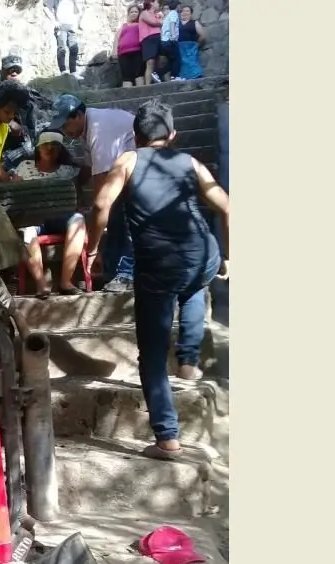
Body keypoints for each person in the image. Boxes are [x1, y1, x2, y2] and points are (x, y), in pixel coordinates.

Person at [88, 99, 229, 460]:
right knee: (196, 284)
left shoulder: (128, 161)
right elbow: (228, 207)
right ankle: (189, 363)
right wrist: (228, 256)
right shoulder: (191, 163)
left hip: (159, 266)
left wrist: (93, 249)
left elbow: (102, 205)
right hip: (203, 254)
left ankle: (167, 437)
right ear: (173, 135)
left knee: (151, 353)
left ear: (134, 136)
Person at [48, 93, 136, 292]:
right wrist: (77, 188)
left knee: (119, 214)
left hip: (141, 171)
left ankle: (126, 273)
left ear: (78, 115)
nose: (64, 131)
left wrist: (93, 248)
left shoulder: (98, 130)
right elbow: (89, 168)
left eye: (65, 125)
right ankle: (112, 272)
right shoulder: (88, 129)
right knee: (112, 217)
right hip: (127, 170)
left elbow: (101, 194)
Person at [13, 131, 91, 296]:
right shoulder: (24, 167)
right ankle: (41, 285)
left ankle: (65, 282)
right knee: (26, 232)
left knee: (78, 220)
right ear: (38, 148)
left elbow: (77, 193)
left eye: (55, 145)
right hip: (32, 218)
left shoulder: (68, 171)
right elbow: (14, 194)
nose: (50, 148)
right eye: (46, 144)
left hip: (60, 217)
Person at [44, 0, 84, 76]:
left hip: (71, 26)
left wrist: (75, 3)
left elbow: (77, 12)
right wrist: (54, 21)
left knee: (74, 48)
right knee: (62, 48)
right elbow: (46, 8)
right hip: (61, 26)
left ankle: (73, 72)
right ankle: (63, 71)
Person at [114, 6, 145, 87]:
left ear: (139, 14)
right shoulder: (124, 26)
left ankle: (141, 94)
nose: (134, 13)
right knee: (126, 76)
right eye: (131, 12)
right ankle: (128, 96)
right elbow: (117, 38)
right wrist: (114, 51)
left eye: (136, 12)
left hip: (137, 51)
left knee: (139, 73)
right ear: (128, 14)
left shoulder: (141, 24)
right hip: (123, 53)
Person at [177, 5, 207, 80]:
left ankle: (196, 79)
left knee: (192, 62)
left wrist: (197, 45)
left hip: (191, 46)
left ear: (191, 14)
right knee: (181, 63)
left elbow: (202, 35)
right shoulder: (177, 23)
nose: (185, 12)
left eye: (187, 11)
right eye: (183, 11)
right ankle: (183, 80)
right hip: (179, 47)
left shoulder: (194, 22)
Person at [139, 1, 164, 84]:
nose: (158, 4)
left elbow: (161, 24)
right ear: (151, 3)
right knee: (150, 62)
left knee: (159, 61)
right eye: (157, 2)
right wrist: (160, 21)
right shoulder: (144, 13)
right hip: (148, 39)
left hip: (157, 37)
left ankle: (162, 80)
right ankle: (148, 85)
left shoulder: (157, 14)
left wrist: (160, 20)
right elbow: (153, 22)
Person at [158, 1, 182, 82]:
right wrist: (173, 37)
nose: (180, 8)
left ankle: (159, 73)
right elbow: (172, 25)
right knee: (177, 59)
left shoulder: (168, 15)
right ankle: (174, 76)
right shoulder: (174, 13)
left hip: (164, 41)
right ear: (177, 6)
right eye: (179, 6)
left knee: (172, 60)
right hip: (170, 40)